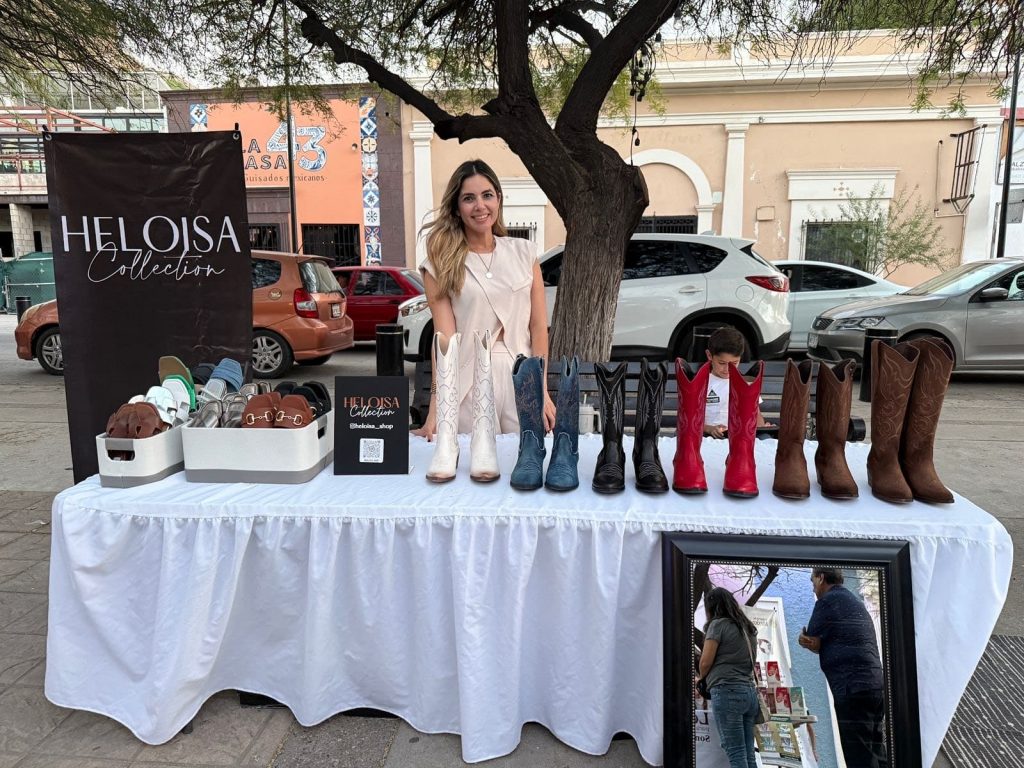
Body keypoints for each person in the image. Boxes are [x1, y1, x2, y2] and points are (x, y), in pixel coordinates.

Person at [411, 160, 556, 438]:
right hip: (468, 386)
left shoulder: (524, 253)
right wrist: (436, 407)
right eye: (469, 198)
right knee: (472, 463)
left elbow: (538, 327)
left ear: (498, 199)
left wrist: (542, 390)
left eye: (487, 195)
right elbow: (444, 341)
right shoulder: (440, 264)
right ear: (457, 207)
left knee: (527, 459)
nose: (480, 206)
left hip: (522, 380)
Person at [798, 568, 889, 768]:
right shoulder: (853, 600)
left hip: (851, 687)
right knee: (876, 750)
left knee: (859, 757)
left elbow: (812, 638)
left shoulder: (827, 601)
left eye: (812, 580)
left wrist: (803, 640)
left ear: (821, 578)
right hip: (875, 685)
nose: (812, 587)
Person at [697, 587, 761, 768]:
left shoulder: (718, 625)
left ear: (711, 607)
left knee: (735, 752)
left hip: (727, 691)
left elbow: (705, 662)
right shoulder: (748, 628)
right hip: (749, 693)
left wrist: (701, 679)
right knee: (748, 754)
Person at [703, 328, 767, 439]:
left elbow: (756, 415)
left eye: (734, 363)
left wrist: (762, 427)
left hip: (740, 437)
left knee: (766, 438)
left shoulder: (746, 383)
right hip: (709, 437)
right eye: (722, 363)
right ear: (709, 355)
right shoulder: (701, 383)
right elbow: (690, 420)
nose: (727, 369)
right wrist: (709, 429)